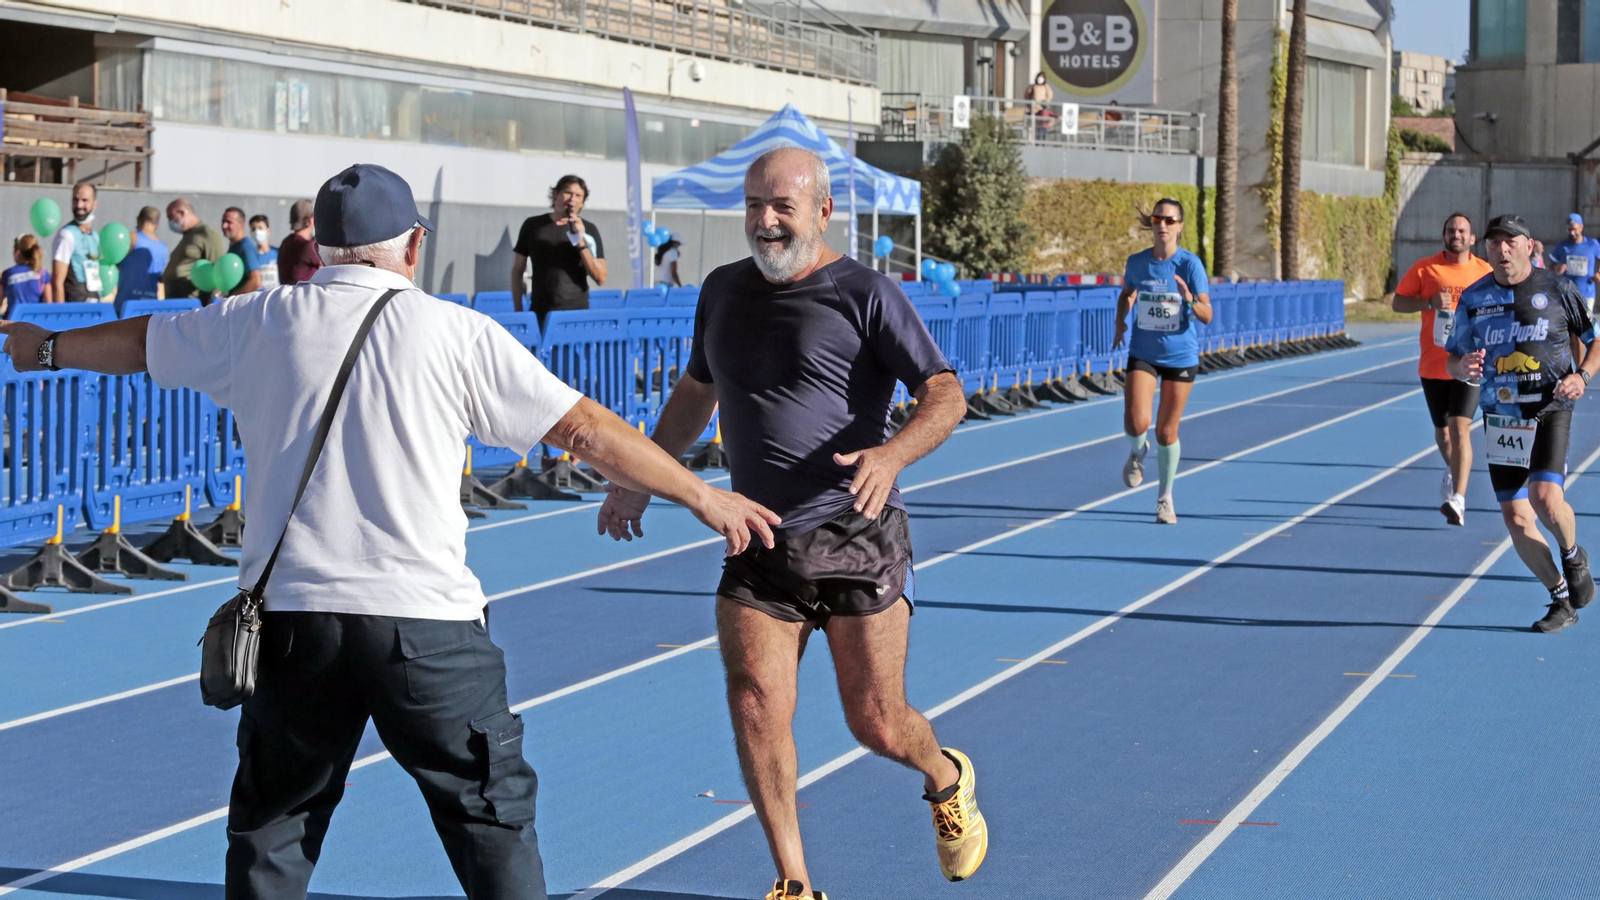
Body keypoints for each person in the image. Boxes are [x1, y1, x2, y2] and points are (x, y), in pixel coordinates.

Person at [0, 162, 779, 900]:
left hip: (293, 624)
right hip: (425, 624)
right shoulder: (454, 333)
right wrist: (702, 497)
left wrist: (42, 348)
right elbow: (584, 429)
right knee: (490, 820)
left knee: (273, 827)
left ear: (321, 246)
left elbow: (140, 344)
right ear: (413, 245)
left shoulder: (257, 319)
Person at [597, 147, 986, 900]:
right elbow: (693, 396)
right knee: (754, 702)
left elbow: (945, 394)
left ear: (821, 212)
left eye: (782, 207)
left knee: (876, 722)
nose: (766, 222)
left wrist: (891, 456)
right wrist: (637, 478)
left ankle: (945, 776)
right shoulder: (720, 291)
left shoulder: (865, 292)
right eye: (753, 206)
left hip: (855, 536)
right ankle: (795, 882)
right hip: (759, 541)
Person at [1446, 214, 1598, 633]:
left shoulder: (1558, 287)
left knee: (1546, 499)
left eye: (1511, 241)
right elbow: (1453, 358)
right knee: (1515, 517)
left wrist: (1581, 376)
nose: (1502, 249)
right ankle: (1560, 598)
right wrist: (1464, 365)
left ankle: (1572, 553)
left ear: (1529, 246)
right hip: (1502, 417)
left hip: (1550, 406)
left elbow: (1594, 340)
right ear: (1487, 250)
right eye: (1495, 243)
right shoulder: (1474, 297)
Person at [1113, 198, 1213, 524]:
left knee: (1167, 433)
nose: (1164, 225)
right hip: (1143, 352)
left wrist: (1189, 300)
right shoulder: (1138, 263)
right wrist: (1120, 322)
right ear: (1153, 224)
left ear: (1180, 226)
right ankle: (1137, 451)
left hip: (1180, 356)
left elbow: (1208, 315)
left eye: (1171, 220)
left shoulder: (1190, 265)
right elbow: (1127, 293)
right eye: (1159, 219)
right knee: (1136, 422)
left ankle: (1165, 498)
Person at [1391, 212, 1493, 525]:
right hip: (1434, 364)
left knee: (1460, 426)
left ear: (1472, 238)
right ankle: (1455, 470)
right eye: (1451, 230)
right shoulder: (1426, 268)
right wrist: (1428, 303)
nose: (1457, 234)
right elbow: (1398, 303)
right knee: (1443, 433)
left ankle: (1458, 499)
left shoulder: (1485, 271)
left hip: (1470, 362)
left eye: (1462, 230)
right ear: (1444, 235)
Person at [511, 175, 607, 325]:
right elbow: (517, 270)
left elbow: (600, 277)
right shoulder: (532, 225)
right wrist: (518, 311)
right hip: (541, 312)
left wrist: (580, 241)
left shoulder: (589, 230)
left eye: (578, 195)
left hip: (578, 314)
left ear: (582, 202)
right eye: (567, 192)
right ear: (555, 194)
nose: (572, 199)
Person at [162, 198, 227, 302]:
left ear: (182, 213)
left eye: (170, 217)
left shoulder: (207, 234)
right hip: (176, 303)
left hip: (193, 305)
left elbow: (219, 270)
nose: (169, 221)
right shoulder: (188, 236)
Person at [49, 180, 103, 303]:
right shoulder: (66, 235)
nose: (79, 205)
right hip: (74, 307)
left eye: (84, 200)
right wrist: (62, 315)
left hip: (94, 303)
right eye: (75, 200)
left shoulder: (95, 236)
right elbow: (57, 282)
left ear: (95, 203)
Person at [1549, 213, 1600, 313]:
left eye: (1575, 229)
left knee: (1586, 324)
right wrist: (1557, 269)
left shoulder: (1592, 244)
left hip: (1587, 293)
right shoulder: (1562, 246)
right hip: (1566, 294)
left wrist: (1599, 272)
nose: (1572, 233)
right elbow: (1550, 266)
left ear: (1581, 227)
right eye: (1569, 230)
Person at [119, 206, 169, 302]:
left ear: (138, 220)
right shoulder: (164, 247)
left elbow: (115, 261)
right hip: (150, 303)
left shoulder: (132, 238)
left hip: (127, 302)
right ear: (157, 225)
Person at [221, 207, 266, 296]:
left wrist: (232, 298)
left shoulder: (246, 247)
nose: (224, 226)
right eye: (223, 221)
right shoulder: (235, 245)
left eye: (229, 222)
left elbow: (255, 281)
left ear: (241, 224)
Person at [278, 198, 323, 286]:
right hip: (303, 296)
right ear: (311, 220)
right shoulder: (308, 247)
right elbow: (332, 264)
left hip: (286, 296)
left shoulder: (286, 242)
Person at [3, 234, 51, 315]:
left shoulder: (8, 274)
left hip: (12, 324)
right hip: (36, 323)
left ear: (17, 252)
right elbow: (49, 305)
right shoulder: (43, 274)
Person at [249, 214, 280, 290]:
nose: (256, 231)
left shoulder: (278, 253)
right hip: (257, 298)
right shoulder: (250, 256)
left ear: (268, 231)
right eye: (253, 229)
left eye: (260, 228)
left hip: (275, 297)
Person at [1024, 71, 1055, 140]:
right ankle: (1034, 140)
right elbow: (1026, 96)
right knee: (1034, 126)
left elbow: (1050, 95)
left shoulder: (1046, 87)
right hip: (1034, 109)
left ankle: (1042, 140)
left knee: (1043, 126)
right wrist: (1030, 104)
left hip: (1043, 110)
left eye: (1042, 77)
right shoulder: (1032, 87)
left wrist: (1045, 102)